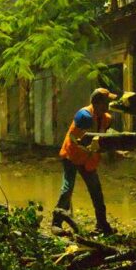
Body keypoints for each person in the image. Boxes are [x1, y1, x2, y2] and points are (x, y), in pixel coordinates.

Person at [52, 88, 117, 235]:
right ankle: (56, 222)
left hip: (88, 159)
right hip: (72, 155)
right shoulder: (84, 116)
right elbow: (74, 138)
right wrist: (90, 147)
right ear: (96, 103)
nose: (108, 105)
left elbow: (104, 137)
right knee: (67, 189)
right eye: (105, 102)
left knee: (96, 191)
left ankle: (102, 224)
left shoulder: (107, 118)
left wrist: (114, 149)